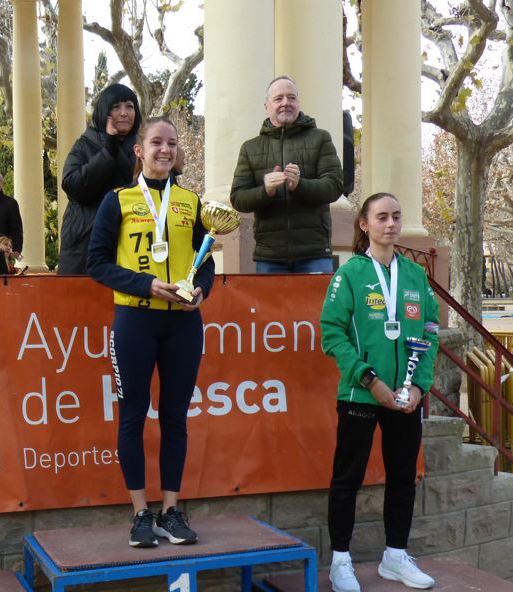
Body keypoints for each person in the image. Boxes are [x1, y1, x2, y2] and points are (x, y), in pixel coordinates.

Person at [88, 116, 214, 548]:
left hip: (182, 322)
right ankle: (140, 513)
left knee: (176, 417)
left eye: (172, 143)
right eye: (156, 142)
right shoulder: (117, 200)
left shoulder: (191, 201)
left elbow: (207, 258)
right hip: (135, 320)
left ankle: (171, 511)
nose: (166, 149)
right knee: (133, 416)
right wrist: (145, 285)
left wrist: (202, 290)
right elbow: (97, 263)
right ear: (139, 150)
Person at [320, 192, 439, 592]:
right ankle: (340, 561)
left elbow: (430, 331)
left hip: (405, 398)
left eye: (396, 217)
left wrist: (420, 385)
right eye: (382, 217)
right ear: (364, 225)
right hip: (361, 394)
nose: (391, 224)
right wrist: (369, 379)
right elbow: (331, 332)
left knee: (404, 477)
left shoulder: (415, 275)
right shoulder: (350, 274)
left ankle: (395, 557)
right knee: (346, 480)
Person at [230, 75, 343, 273]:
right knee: (269, 306)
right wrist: (265, 191)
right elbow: (238, 198)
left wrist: (300, 185)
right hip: (269, 256)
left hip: (314, 253)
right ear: (267, 106)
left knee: (316, 306)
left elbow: (334, 186)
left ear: (298, 103)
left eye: (291, 98)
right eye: (278, 98)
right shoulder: (250, 148)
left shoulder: (321, 138)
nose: (285, 103)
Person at [59, 83, 142, 274]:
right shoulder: (85, 144)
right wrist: (108, 151)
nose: (124, 113)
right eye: (116, 107)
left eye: (129, 106)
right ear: (105, 111)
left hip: (131, 242)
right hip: (85, 244)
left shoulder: (143, 147)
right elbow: (73, 186)